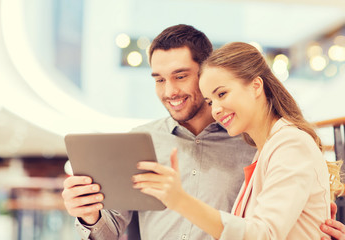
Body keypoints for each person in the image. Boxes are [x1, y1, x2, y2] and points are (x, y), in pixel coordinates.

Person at [62, 24, 345, 239]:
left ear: (206, 72)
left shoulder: (256, 143)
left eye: (181, 76)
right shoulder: (140, 141)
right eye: (159, 79)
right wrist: (89, 214)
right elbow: (110, 230)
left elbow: (265, 230)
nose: (169, 91)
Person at [132, 41, 342, 239]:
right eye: (210, 101)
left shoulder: (290, 143)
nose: (215, 110)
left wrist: (180, 201)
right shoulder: (265, 149)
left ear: (256, 86)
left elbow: (263, 234)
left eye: (222, 94)